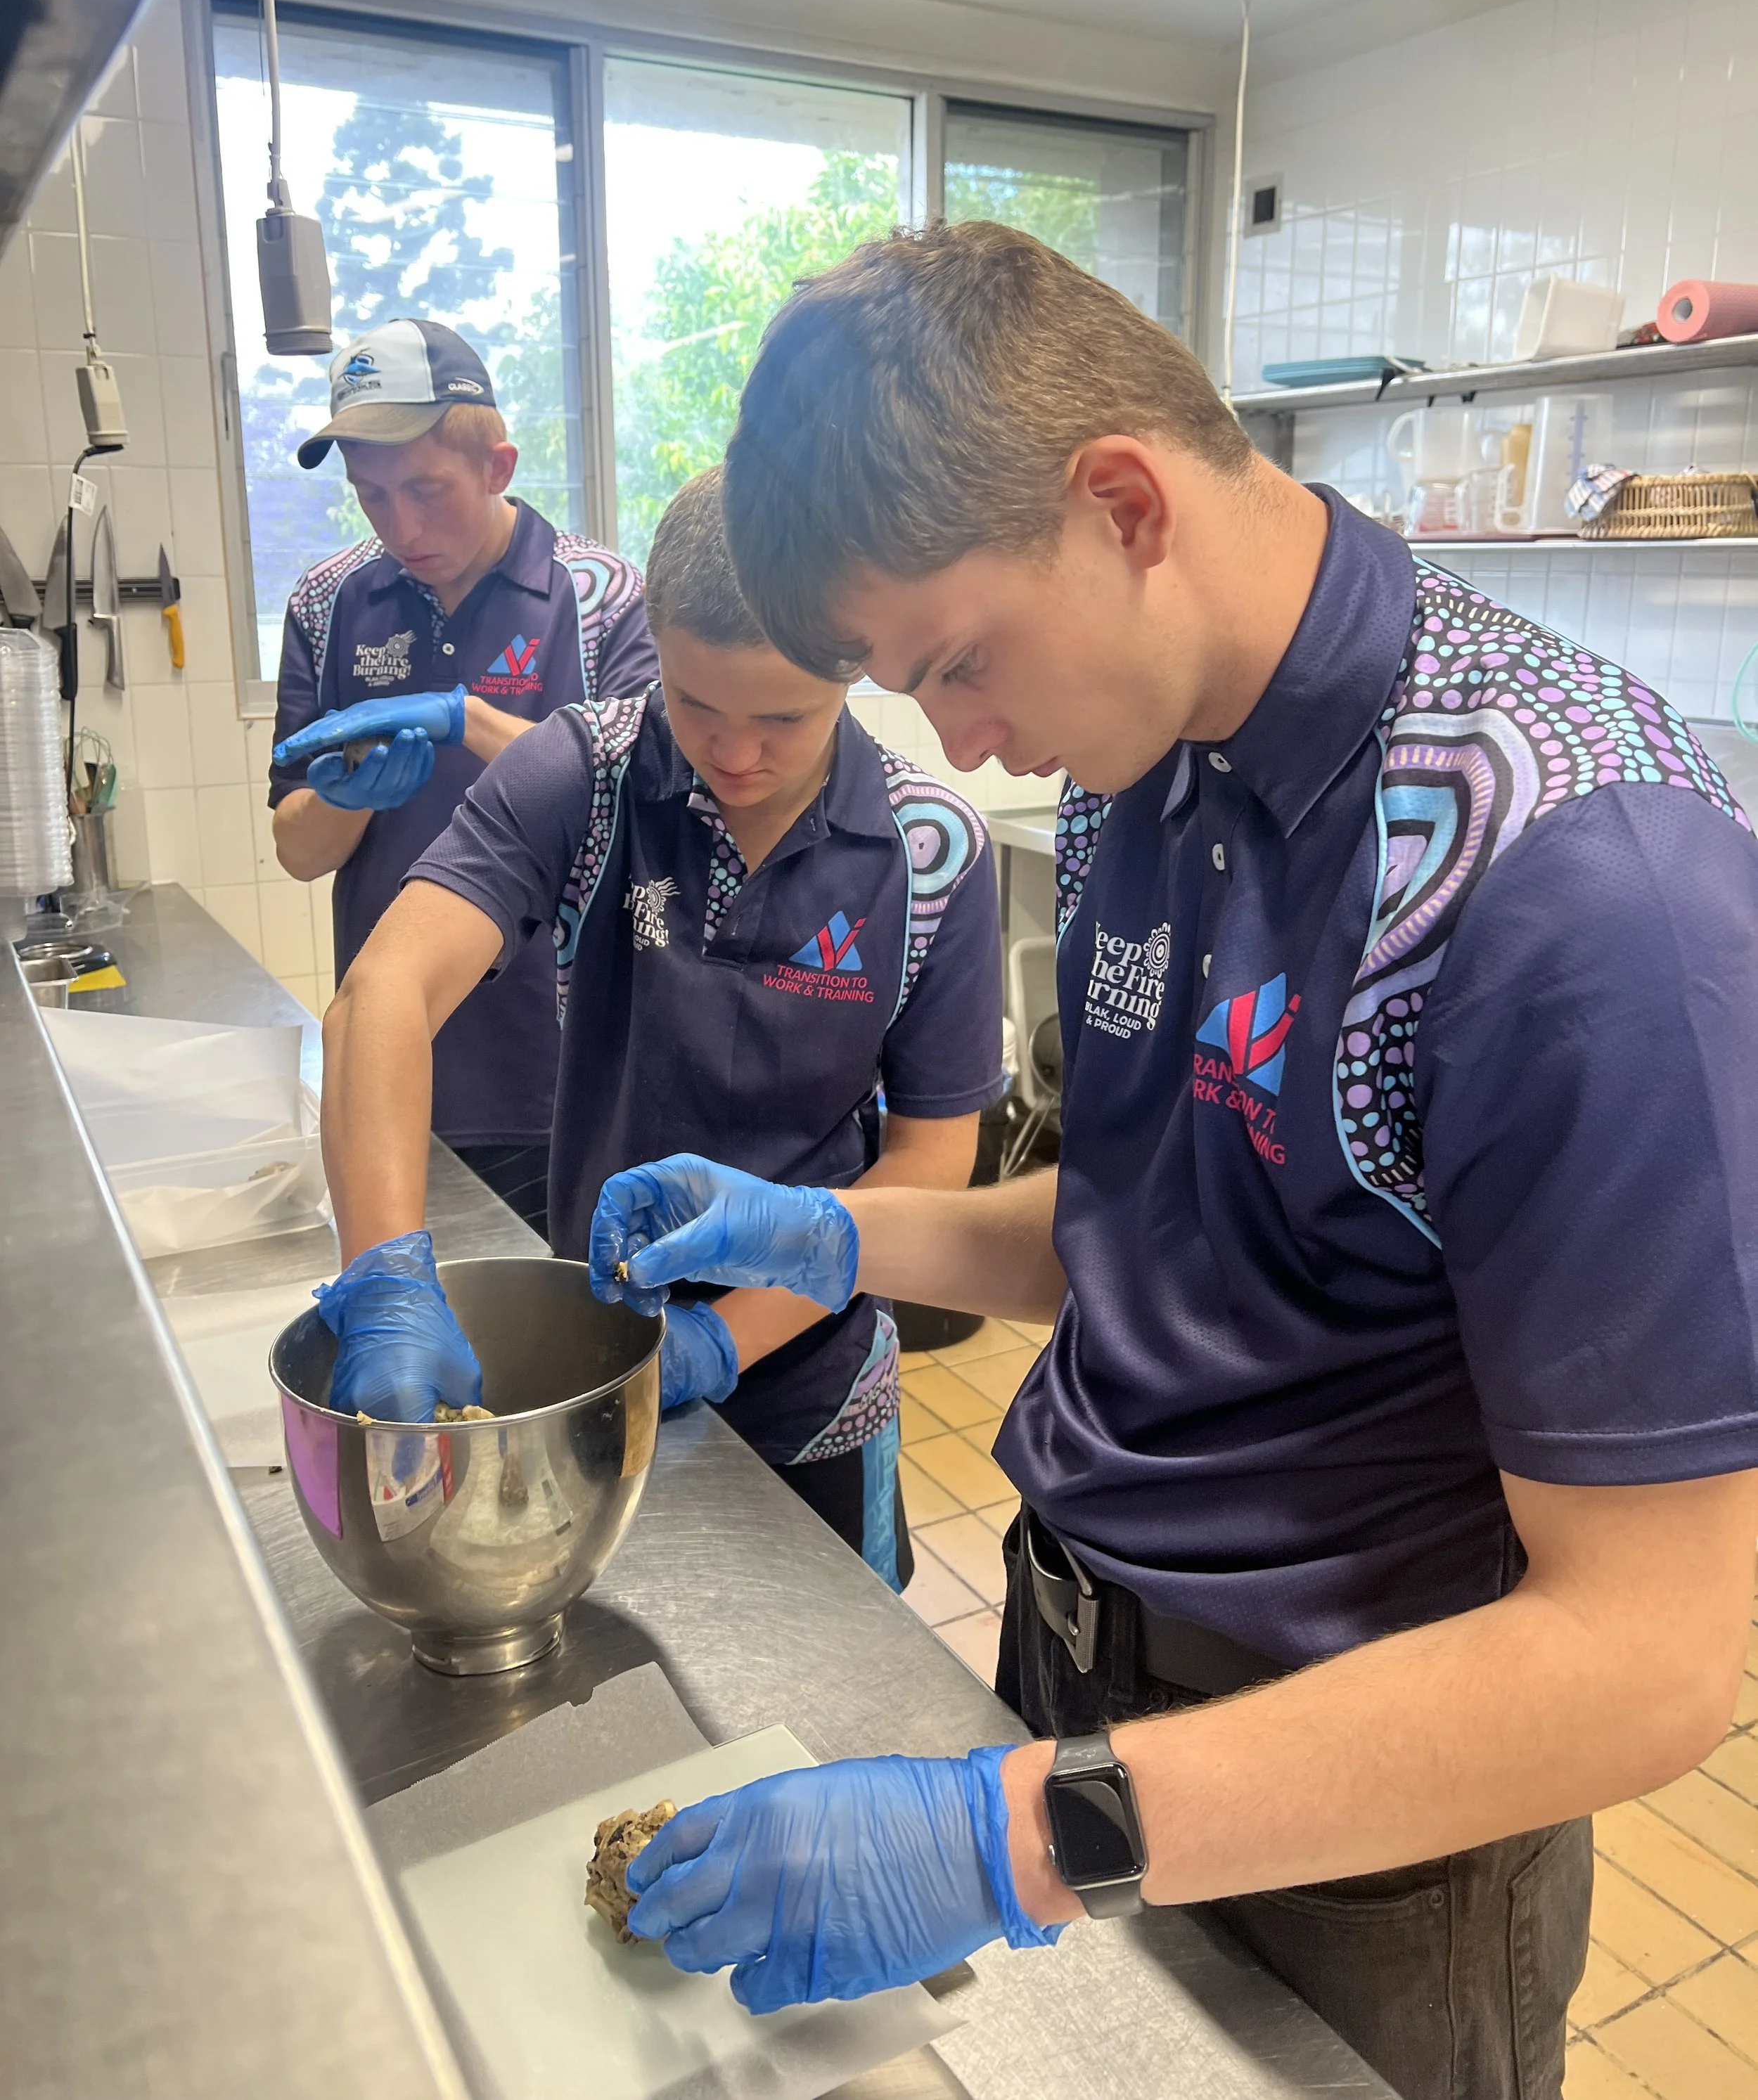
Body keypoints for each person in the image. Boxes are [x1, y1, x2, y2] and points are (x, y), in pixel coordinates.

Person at [589, 224, 1758, 2099]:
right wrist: (832, 1231)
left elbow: (1646, 1655)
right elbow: (1146, 1225)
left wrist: (1020, 1840)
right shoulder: (1137, 768)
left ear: (1121, 502)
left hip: (1358, 1831)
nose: (955, 739)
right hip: (1074, 1691)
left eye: (958, 662)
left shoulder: (1564, 867)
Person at [312, 465, 1004, 1587]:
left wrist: (729, 1337)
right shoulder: (586, 774)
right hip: (597, 1370)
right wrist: (385, 1276)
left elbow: (935, 1156)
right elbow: (383, 993)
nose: (734, 755)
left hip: (813, 1391)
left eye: (782, 717)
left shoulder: (932, 855)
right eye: (697, 706)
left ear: (855, 670)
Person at [269, 318, 657, 1239]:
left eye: (427, 491)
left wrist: (466, 719)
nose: (401, 527)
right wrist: (346, 795)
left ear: (498, 465)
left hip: (563, 1078)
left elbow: (647, 814)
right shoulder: (328, 606)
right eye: (372, 497)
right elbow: (294, 847)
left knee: (564, 1346)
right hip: (387, 1077)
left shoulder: (598, 599)